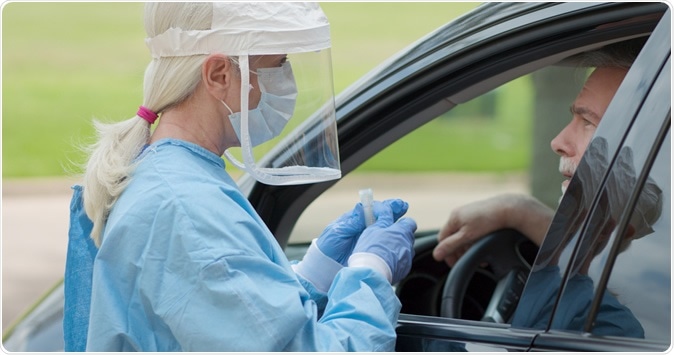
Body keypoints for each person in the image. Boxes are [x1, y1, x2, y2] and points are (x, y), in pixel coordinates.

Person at [63, 2, 417, 352]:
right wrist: (372, 272)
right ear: (219, 74)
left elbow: (226, 320)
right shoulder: (187, 210)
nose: (288, 83)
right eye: (278, 66)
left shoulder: (176, 176)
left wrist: (316, 271)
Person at [431, 38, 662, 337]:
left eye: (590, 123)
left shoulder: (606, 328)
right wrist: (518, 211)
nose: (558, 142)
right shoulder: (606, 294)